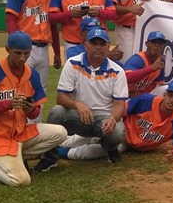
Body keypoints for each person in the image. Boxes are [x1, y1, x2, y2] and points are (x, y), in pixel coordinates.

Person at [0, 32, 67, 186]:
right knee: (21, 180)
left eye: (26, 53)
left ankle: (14, 157)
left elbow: (35, 112)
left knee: (60, 132)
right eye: (18, 53)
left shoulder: (32, 75)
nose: (22, 58)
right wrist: (8, 104)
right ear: (7, 49)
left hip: (20, 134)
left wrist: (29, 109)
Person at [47, 28, 129, 163]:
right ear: (85, 44)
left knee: (118, 131)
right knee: (56, 112)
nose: (98, 47)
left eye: (102, 44)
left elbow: (119, 104)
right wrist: (77, 104)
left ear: (108, 47)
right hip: (78, 116)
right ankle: (50, 155)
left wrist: (113, 118)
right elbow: (60, 97)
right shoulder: (73, 63)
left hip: (103, 120)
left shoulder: (117, 71)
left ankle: (110, 148)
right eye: (94, 43)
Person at [57, 80, 173, 162]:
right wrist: (110, 125)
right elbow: (121, 111)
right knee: (88, 137)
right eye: (170, 96)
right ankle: (55, 143)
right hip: (121, 131)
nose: (172, 100)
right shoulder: (146, 101)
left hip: (128, 146)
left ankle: (63, 153)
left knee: (102, 150)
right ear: (164, 95)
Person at [5, 0, 61, 107]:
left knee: (40, 90)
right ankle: (19, 127)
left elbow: (53, 25)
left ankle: (36, 125)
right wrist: (14, 47)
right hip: (25, 49)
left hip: (43, 49)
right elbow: (11, 19)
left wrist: (56, 52)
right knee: (21, 88)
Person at [123, 31, 168, 98]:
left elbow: (157, 83)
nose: (157, 46)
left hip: (138, 98)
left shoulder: (160, 62)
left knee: (165, 88)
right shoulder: (138, 59)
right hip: (122, 95)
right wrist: (151, 68)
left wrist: (143, 95)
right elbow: (125, 78)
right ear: (147, 44)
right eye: (154, 42)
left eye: (160, 44)